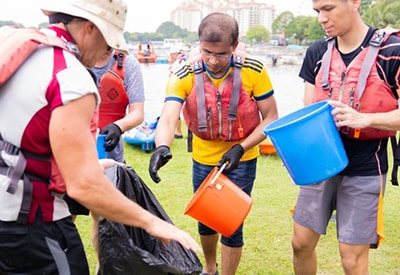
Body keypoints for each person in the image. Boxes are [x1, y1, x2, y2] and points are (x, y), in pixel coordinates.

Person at [0, 0, 200, 274]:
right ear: (90, 28)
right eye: (109, 44)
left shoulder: (19, 48)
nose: (107, 54)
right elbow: (83, 185)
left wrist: (92, 165)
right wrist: (151, 222)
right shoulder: (70, 77)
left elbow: (26, 139)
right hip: (34, 222)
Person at [149, 12, 278, 275]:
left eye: (220, 54)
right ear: (199, 44)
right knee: (206, 220)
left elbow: (272, 118)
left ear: (234, 45)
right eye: (206, 51)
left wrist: (241, 147)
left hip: (241, 156)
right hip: (203, 157)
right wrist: (162, 145)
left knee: (231, 223)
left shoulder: (254, 70)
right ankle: (210, 269)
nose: (212, 60)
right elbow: (168, 115)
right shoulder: (184, 72)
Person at [291, 0, 400, 274]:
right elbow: (307, 111)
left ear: (354, 2)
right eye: (317, 11)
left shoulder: (392, 52)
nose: (321, 19)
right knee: (300, 243)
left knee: (351, 259)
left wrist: (367, 119)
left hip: (365, 166)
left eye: (328, 8)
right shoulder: (316, 52)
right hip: (319, 164)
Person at [93, 49, 145, 163]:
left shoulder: (129, 64)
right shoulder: (72, 60)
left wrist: (118, 126)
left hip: (112, 154)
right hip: (74, 154)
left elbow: (138, 113)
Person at [168, 45, 187, 139]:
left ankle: (178, 132)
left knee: (176, 111)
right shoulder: (184, 60)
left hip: (178, 89)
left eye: (171, 54)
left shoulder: (178, 62)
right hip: (185, 88)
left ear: (175, 54)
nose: (171, 56)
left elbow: (172, 75)